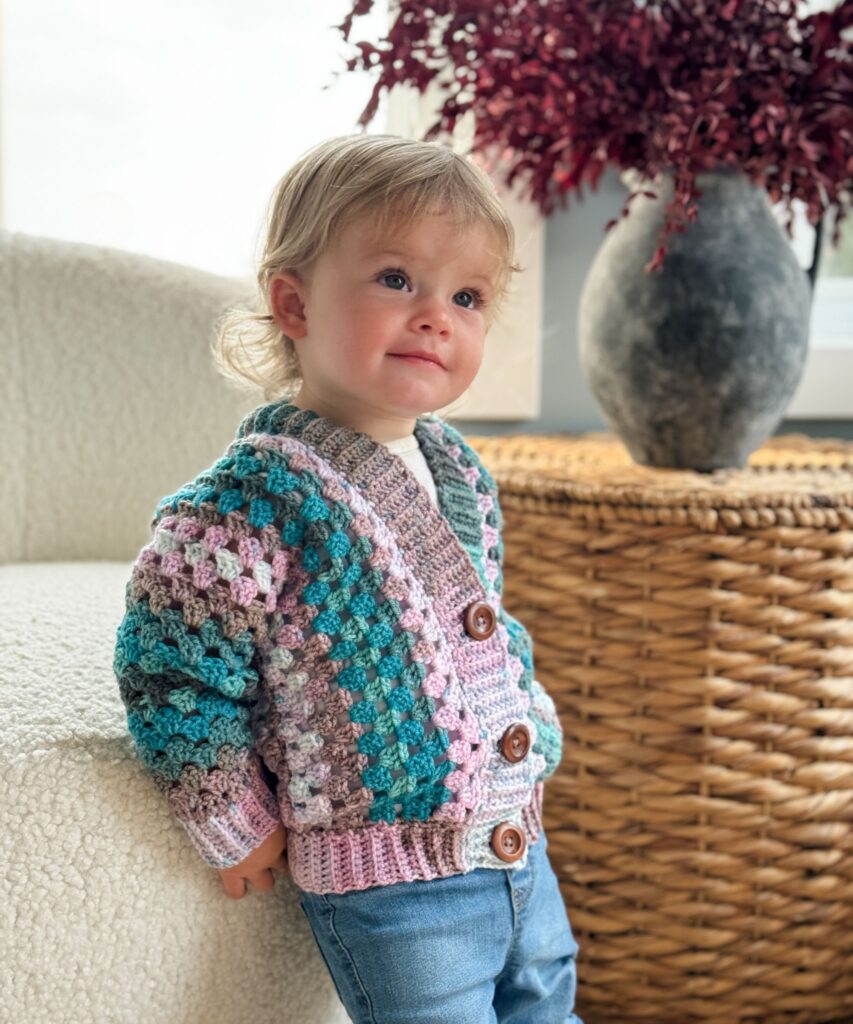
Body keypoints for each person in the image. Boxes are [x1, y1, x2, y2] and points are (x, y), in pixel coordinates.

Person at [113, 133, 582, 1024]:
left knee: (550, 1006)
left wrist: (530, 728)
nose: (436, 315)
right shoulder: (256, 495)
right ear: (293, 302)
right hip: (394, 887)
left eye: (468, 295)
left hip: (519, 849)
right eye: (397, 280)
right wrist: (232, 816)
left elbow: (486, 630)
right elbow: (169, 666)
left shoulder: (457, 471)